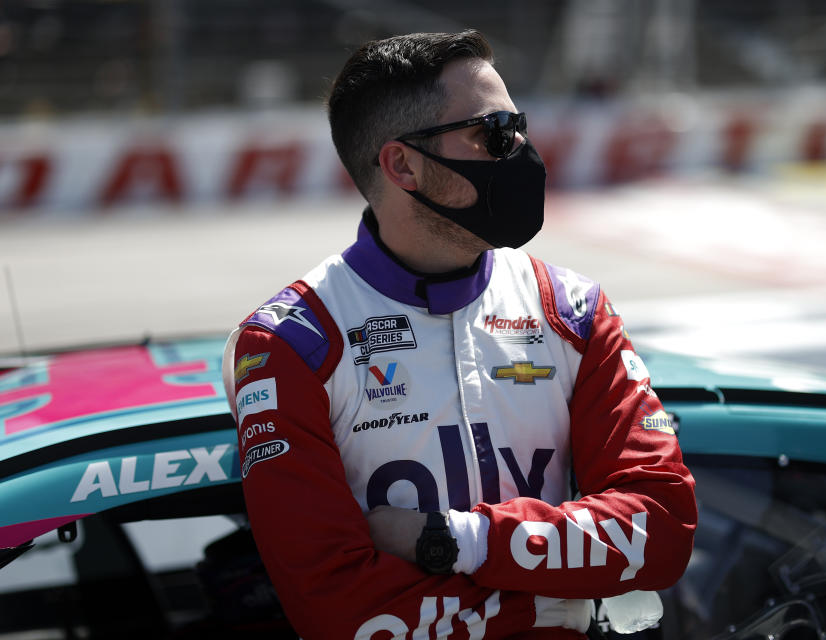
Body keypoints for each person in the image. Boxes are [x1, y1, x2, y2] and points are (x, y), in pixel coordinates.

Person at [221, 29, 697, 640]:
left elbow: (661, 532)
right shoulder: (291, 345)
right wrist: (554, 604)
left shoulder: (572, 310)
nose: (521, 149)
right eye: (494, 134)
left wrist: (451, 541)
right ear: (402, 165)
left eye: (519, 126)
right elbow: (338, 610)